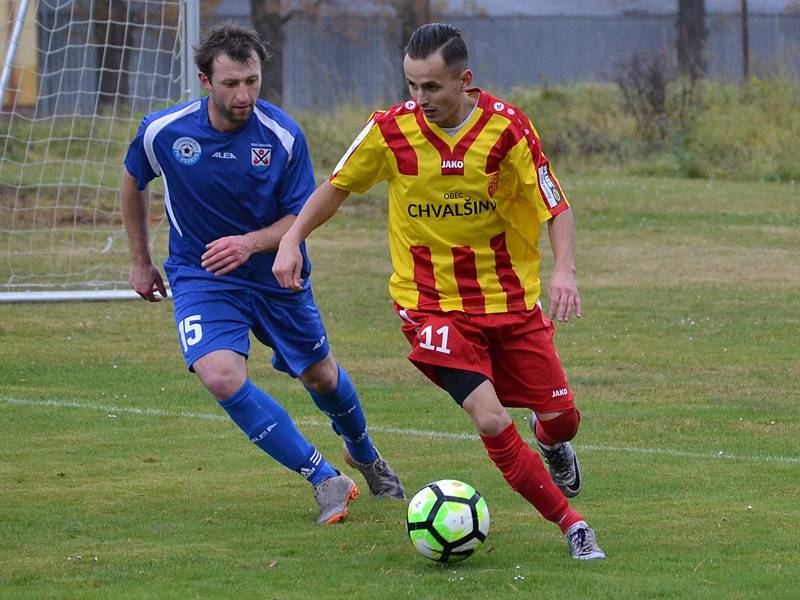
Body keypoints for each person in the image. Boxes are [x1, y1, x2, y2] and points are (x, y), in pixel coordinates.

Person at [273, 23, 605, 559]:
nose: (419, 99)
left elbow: (555, 204)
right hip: (430, 308)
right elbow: (334, 188)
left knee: (563, 418)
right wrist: (291, 239)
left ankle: (551, 441)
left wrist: (565, 270)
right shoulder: (389, 132)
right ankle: (572, 525)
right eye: (411, 85)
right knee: (491, 417)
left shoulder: (508, 129)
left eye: (432, 87)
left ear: (464, 80)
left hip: (510, 301)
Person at [121, 23, 405, 525]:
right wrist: (140, 260)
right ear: (205, 81)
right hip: (201, 275)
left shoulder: (282, 135)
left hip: (276, 276)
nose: (243, 93)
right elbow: (133, 180)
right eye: (230, 83)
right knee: (221, 376)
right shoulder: (165, 132)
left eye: (251, 80)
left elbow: (304, 214)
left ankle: (363, 452)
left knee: (321, 376)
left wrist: (250, 243)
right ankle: (324, 478)